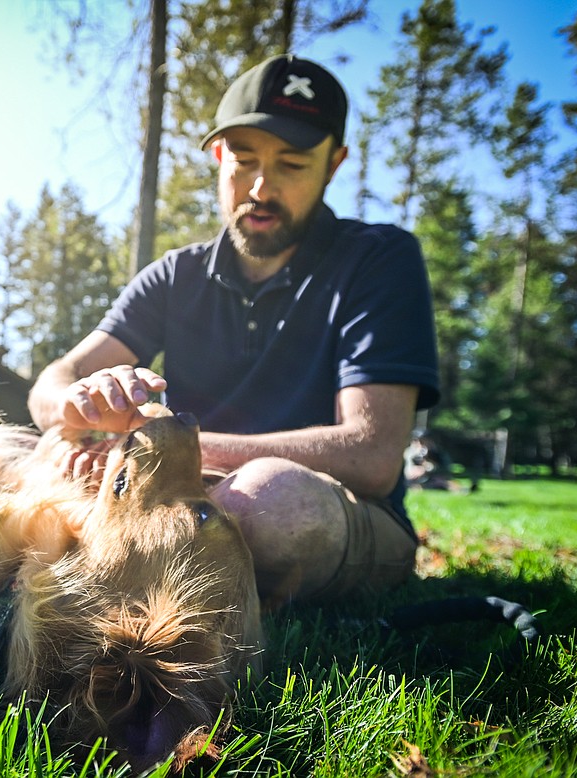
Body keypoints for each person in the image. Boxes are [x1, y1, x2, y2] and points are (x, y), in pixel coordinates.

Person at [27, 55, 440, 609]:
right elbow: (53, 383)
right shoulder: (177, 275)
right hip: (181, 493)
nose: (261, 187)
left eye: (292, 165)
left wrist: (157, 450)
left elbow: (372, 454)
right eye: (244, 160)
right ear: (219, 156)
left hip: (333, 508)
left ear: (334, 165)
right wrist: (76, 408)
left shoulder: (378, 260)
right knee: (37, 457)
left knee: (271, 501)